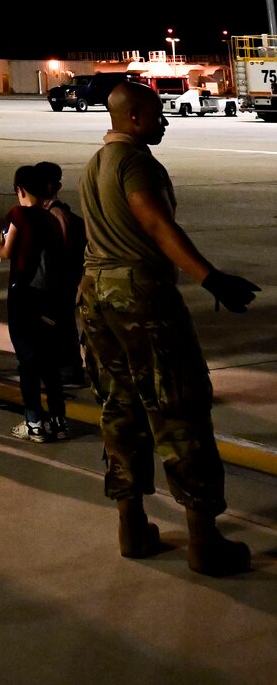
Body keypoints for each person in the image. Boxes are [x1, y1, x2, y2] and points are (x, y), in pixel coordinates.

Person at [78, 80, 260, 573]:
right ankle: (205, 544)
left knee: (120, 408)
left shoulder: (95, 163)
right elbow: (156, 224)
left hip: (94, 293)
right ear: (134, 116)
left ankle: (132, 527)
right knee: (179, 407)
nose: (164, 121)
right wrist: (211, 278)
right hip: (139, 294)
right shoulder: (136, 163)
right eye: (157, 114)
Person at [0, 165, 67, 442]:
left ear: (20, 190)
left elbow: (8, 248)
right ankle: (59, 419)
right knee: (49, 360)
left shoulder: (18, 214)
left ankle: (34, 421)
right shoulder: (52, 218)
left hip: (23, 293)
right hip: (50, 296)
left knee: (28, 360)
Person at [33, 159, 87, 385]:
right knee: (58, 323)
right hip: (57, 279)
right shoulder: (46, 211)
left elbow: (65, 249)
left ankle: (69, 368)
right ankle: (63, 366)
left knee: (61, 324)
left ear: (56, 187)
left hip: (60, 280)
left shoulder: (57, 214)